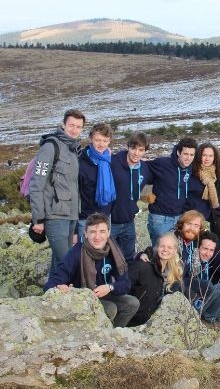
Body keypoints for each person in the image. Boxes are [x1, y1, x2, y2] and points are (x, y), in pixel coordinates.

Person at [44, 213, 139, 327]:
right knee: (110, 309)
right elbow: (51, 284)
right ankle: (95, 336)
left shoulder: (113, 250)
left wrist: (110, 287)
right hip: (80, 299)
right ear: (85, 233)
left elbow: (125, 283)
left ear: (109, 233)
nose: (97, 237)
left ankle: (112, 334)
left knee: (132, 303)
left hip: (100, 293)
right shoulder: (76, 253)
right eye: (93, 232)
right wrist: (59, 288)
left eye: (102, 231)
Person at [30, 109, 85, 276]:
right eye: (71, 125)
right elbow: (36, 184)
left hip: (70, 216)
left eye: (79, 127)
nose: (75, 130)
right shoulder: (50, 147)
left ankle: (51, 296)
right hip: (54, 216)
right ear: (63, 125)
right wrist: (38, 218)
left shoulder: (74, 149)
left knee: (59, 265)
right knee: (66, 263)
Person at [146, 137, 197, 246]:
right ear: (178, 152)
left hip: (179, 218)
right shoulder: (162, 164)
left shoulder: (191, 168)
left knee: (175, 254)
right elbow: (142, 168)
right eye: (186, 154)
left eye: (191, 155)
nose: (188, 158)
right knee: (160, 252)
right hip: (160, 218)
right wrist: (144, 193)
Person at [111, 132, 153, 261]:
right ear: (128, 147)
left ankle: (126, 281)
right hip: (110, 221)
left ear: (145, 151)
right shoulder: (113, 162)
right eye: (133, 148)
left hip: (129, 221)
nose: (136, 153)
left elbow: (160, 179)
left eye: (141, 150)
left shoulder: (145, 168)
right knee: (108, 258)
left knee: (128, 258)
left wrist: (149, 196)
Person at [128, 232, 183, 326]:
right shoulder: (143, 265)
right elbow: (124, 288)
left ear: (175, 251)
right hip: (134, 322)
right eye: (162, 246)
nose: (165, 250)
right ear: (157, 247)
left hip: (157, 324)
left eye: (169, 247)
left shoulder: (174, 273)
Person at [77, 123, 116, 239]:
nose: (101, 144)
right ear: (91, 139)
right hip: (86, 219)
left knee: (103, 253)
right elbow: (74, 195)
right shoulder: (81, 163)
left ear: (109, 141)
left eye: (105, 141)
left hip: (105, 217)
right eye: (97, 140)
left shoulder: (109, 160)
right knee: (84, 254)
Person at [186, 143, 220, 224]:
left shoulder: (216, 173)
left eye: (210, 156)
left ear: (214, 157)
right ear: (199, 156)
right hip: (189, 217)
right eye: (204, 155)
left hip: (206, 219)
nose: (207, 159)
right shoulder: (191, 172)